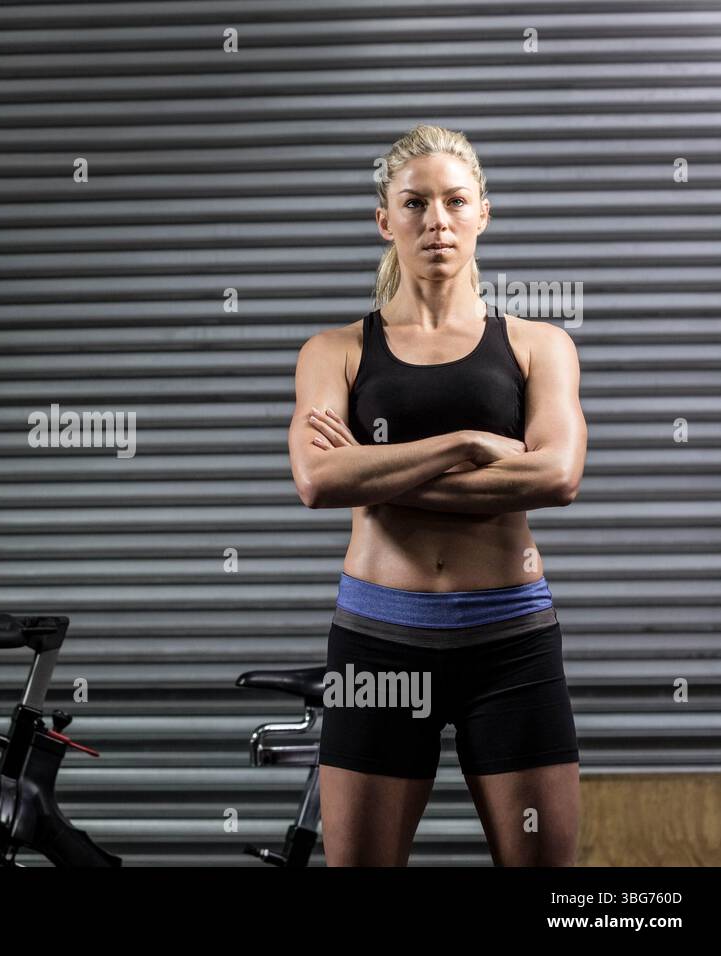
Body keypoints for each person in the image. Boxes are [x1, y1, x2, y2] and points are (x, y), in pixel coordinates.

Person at [288, 124, 586, 866]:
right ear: (385, 220)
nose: (437, 222)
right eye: (414, 204)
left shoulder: (537, 345)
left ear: (484, 211)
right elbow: (320, 479)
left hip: (511, 645)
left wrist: (380, 472)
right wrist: (467, 445)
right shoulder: (337, 351)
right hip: (377, 645)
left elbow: (556, 475)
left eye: (455, 201)